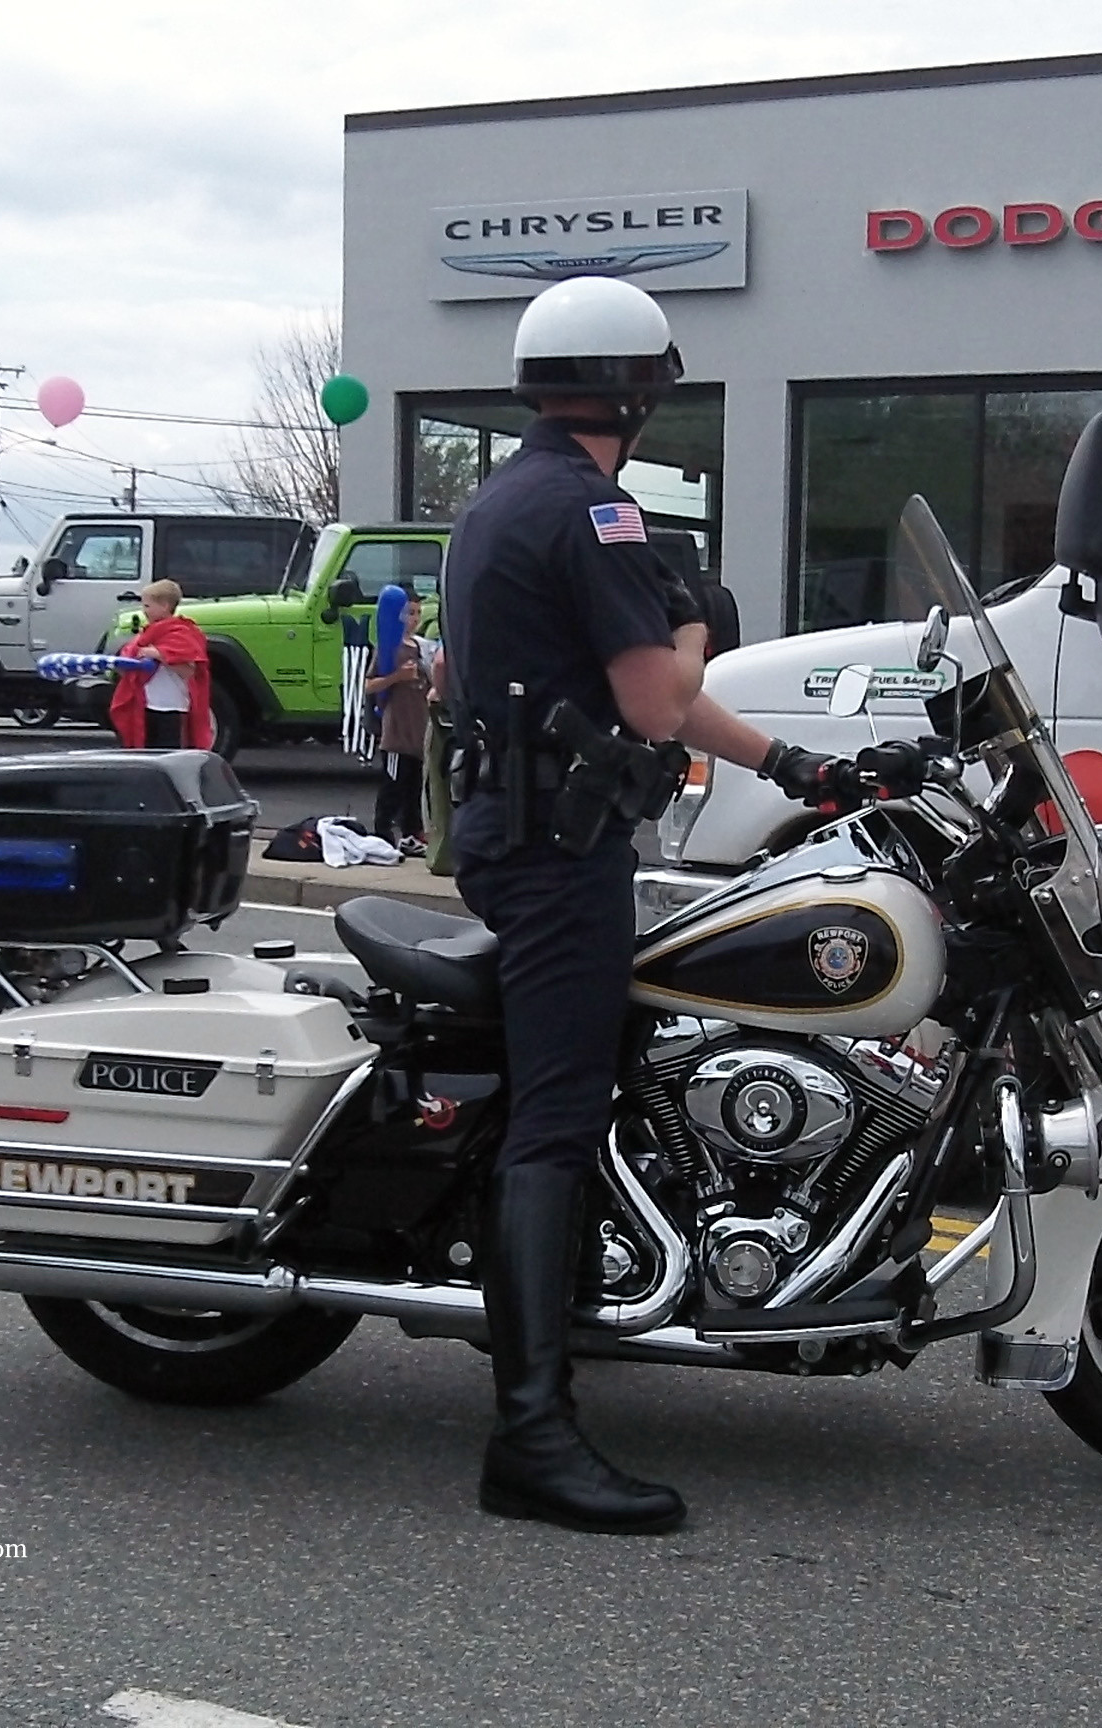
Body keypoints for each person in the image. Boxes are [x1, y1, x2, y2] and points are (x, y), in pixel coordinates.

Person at [443, 275, 847, 1536]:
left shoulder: (501, 500)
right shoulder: (596, 513)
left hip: (522, 831)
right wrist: (690, 617)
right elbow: (658, 703)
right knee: (557, 1116)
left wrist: (799, 769)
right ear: (638, 383)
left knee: (603, 1073)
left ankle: (591, 1307)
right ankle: (532, 1436)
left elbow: (625, 698)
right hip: (560, 852)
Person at [107, 579, 213, 752]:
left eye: (148, 606)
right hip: (146, 705)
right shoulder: (148, 633)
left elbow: (189, 671)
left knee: (168, 755)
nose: (144, 611)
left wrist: (160, 655)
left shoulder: (182, 633)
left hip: (172, 708)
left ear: (164, 606)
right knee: (147, 754)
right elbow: (132, 659)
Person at [363, 623, 432, 849]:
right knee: (393, 787)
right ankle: (382, 833)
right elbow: (370, 685)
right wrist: (397, 676)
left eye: (417, 613)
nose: (413, 619)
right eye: (408, 613)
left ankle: (411, 833)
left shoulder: (423, 648)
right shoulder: (389, 648)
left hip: (418, 731)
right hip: (397, 734)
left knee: (415, 789)